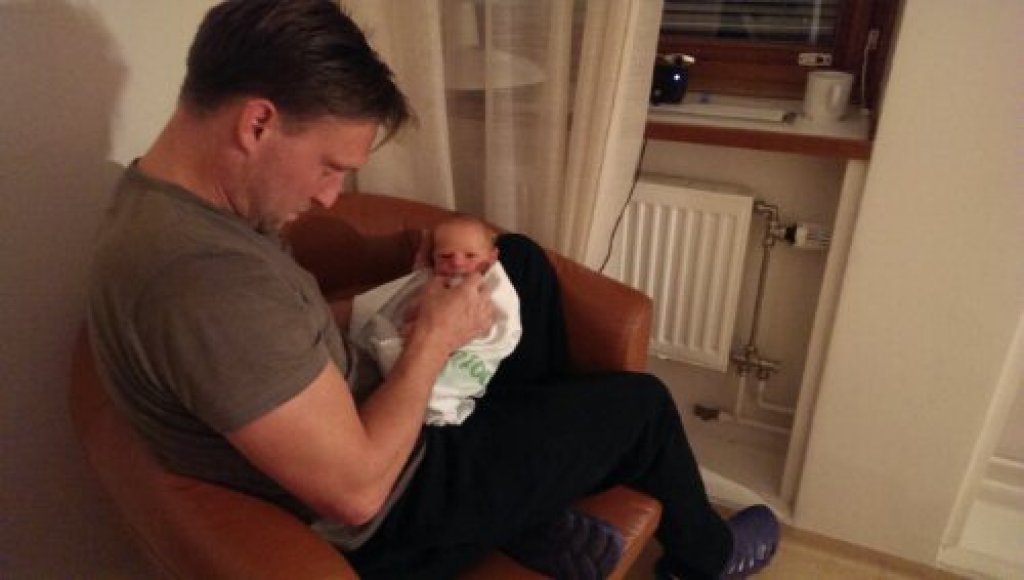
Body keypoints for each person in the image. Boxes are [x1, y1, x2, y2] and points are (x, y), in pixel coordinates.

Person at [86, 1, 780, 579]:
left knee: (516, 264)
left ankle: (529, 507)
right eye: (331, 166)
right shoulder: (200, 279)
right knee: (642, 407)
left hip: (375, 415)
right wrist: (433, 340)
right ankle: (706, 557)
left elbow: (277, 334)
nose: (331, 197)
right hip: (397, 507)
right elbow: (357, 493)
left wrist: (404, 287)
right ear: (258, 122)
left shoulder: (173, 203)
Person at [348, 215, 521, 426]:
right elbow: (408, 311)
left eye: (470, 256)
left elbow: (502, 327)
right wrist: (416, 320)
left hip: (467, 347)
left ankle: (439, 395)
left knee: (522, 248)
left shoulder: (494, 287)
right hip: (412, 360)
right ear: (433, 258)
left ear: (492, 257)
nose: (457, 262)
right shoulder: (431, 283)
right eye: (445, 256)